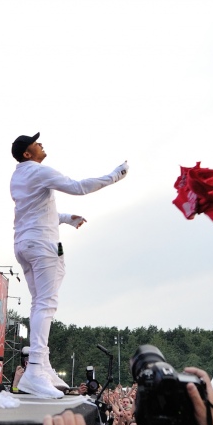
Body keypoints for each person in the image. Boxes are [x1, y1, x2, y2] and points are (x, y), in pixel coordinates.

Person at [10, 132, 128, 398]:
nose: (41, 144)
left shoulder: (18, 176)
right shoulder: (39, 172)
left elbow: (34, 211)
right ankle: (36, 369)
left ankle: (43, 365)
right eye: (36, 143)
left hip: (24, 244)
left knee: (39, 303)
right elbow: (78, 187)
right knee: (46, 304)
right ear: (28, 153)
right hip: (43, 246)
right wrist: (115, 176)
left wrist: (63, 218)